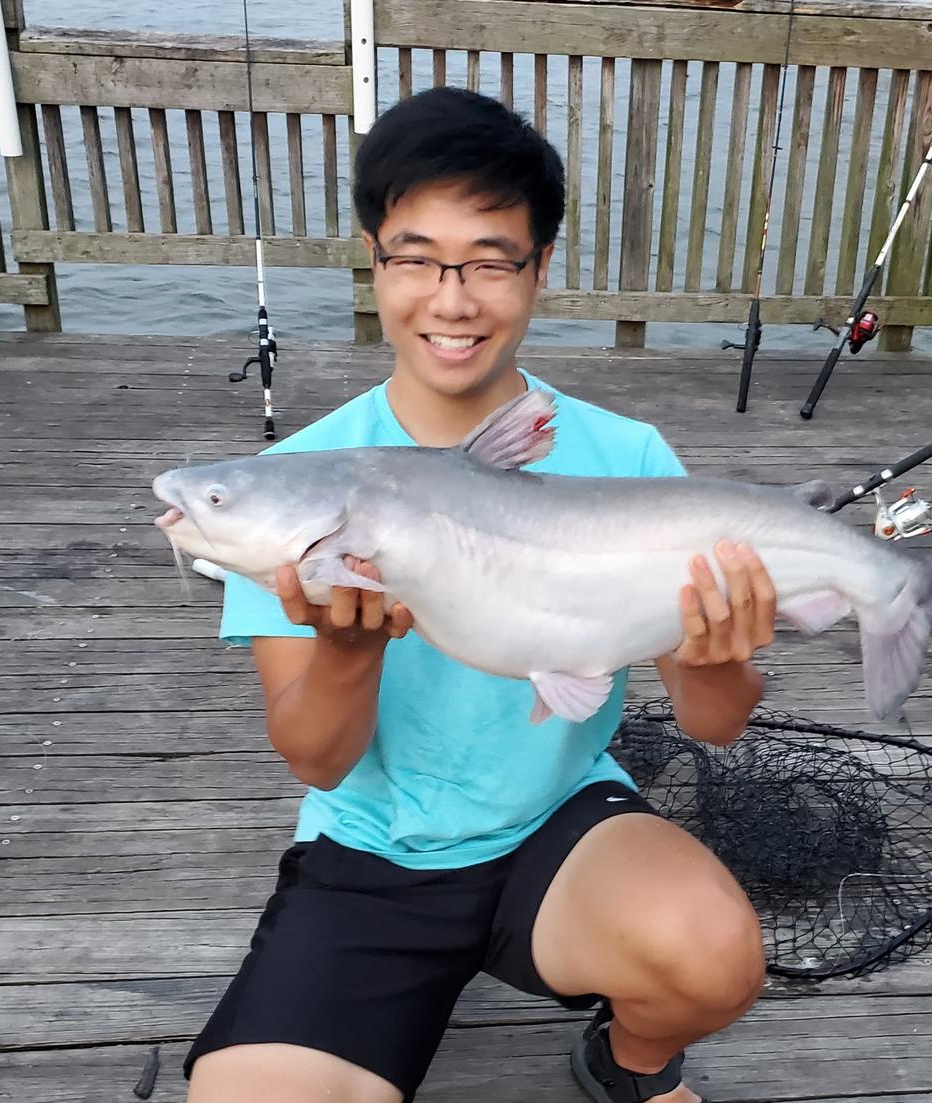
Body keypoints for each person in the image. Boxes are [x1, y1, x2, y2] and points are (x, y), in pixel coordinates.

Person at [184, 86, 776, 1103]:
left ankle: (627, 1066)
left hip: (562, 824)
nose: (449, 299)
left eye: (490, 259)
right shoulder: (296, 482)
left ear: (539, 268)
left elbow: (711, 725)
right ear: (374, 259)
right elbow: (315, 755)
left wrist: (722, 657)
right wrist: (348, 647)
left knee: (715, 953)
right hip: (367, 853)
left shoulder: (628, 459)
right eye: (415, 256)